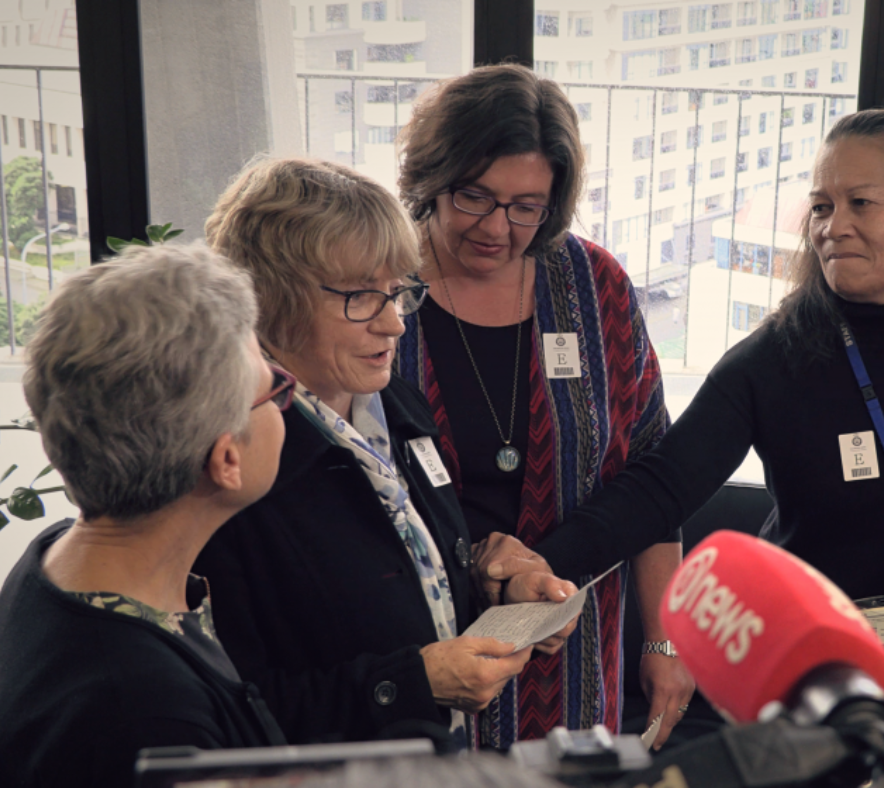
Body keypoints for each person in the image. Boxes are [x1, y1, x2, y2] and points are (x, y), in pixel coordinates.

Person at [479, 108, 884, 783]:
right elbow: (661, 486)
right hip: (792, 700)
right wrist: (539, 566)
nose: (831, 226)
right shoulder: (778, 354)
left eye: (860, 203)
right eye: (820, 205)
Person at [195, 157, 579, 749]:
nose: (394, 325)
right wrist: (412, 684)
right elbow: (231, 713)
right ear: (267, 300)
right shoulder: (232, 465)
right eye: (359, 297)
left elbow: (396, 572)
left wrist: (492, 582)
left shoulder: (392, 401)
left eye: (397, 292)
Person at [394, 63, 693, 750]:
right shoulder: (379, 284)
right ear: (432, 178)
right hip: (422, 654)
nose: (497, 227)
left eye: (526, 206)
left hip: (571, 655)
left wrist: (665, 639)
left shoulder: (591, 284)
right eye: (475, 196)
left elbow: (650, 472)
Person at [0, 245, 288, 787]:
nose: (280, 393)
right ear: (226, 459)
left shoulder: (56, 558)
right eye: (272, 388)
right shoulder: (146, 717)